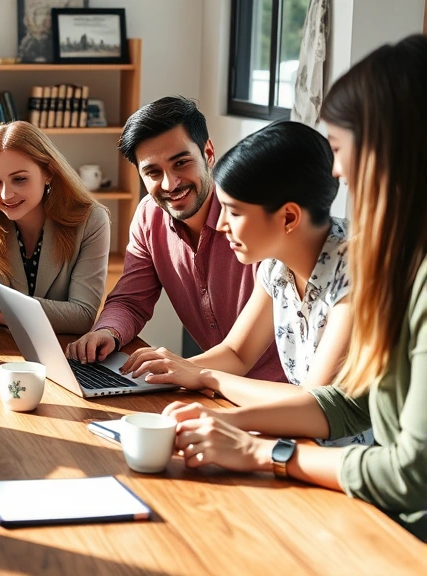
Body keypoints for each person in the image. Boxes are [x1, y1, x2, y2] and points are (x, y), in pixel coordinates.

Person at [162, 34, 427, 541]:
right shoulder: (395, 260)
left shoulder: (384, 269)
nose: (337, 172)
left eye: (342, 149)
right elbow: (348, 402)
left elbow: (410, 475)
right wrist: (229, 423)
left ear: (390, 152)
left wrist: (265, 450)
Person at [117, 121, 370, 445]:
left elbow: (316, 403)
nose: (221, 224)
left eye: (234, 212)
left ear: (289, 218)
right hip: (297, 445)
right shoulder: (277, 264)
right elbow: (237, 353)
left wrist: (207, 379)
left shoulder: (357, 268)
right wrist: (172, 369)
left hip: (353, 470)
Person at [64, 96, 284, 383]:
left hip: (283, 394)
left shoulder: (254, 218)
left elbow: (244, 354)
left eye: (181, 163)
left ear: (208, 153)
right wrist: (108, 332)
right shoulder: (149, 216)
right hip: (214, 386)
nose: (170, 184)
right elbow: (131, 299)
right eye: (153, 172)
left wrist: (181, 368)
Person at [0, 121, 110, 335]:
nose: (5, 195)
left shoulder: (91, 220)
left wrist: (7, 304)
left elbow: (82, 316)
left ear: (48, 173)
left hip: (63, 354)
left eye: (19, 179)